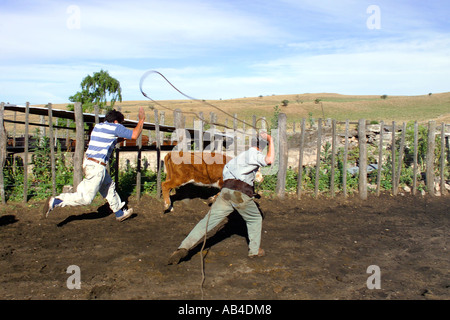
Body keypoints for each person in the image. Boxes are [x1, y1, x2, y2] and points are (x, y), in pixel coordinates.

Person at [168, 131, 275, 264]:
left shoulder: (238, 158)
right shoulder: (254, 154)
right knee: (255, 218)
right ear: (262, 146)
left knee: (207, 222)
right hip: (239, 193)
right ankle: (254, 250)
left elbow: (225, 175)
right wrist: (271, 140)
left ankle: (183, 247)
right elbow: (270, 160)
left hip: (225, 192)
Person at [42, 107, 146, 222]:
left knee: (109, 186)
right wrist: (141, 120)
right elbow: (134, 135)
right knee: (86, 198)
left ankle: (119, 212)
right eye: (120, 123)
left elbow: (113, 140)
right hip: (96, 166)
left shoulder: (98, 127)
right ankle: (57, 201)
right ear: (116, 121)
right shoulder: (115, 127)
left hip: (90, 163)